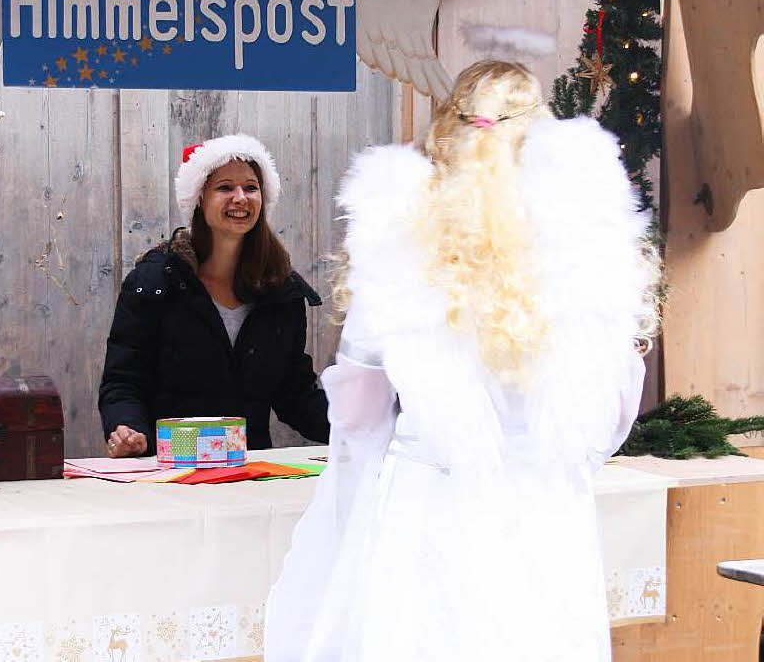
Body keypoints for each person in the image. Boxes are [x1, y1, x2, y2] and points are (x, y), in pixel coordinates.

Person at [265, 61, 660, 661]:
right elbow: (604, 423)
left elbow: (358, 412)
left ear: (446, 133)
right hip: (543, 514)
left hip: (429, 505)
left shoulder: (398, 241)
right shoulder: (592, 250)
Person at [98, 134, 330, 457]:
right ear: (199, 199)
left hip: (249, 475)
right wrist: (127, 427)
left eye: (250, 187)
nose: (240, 198)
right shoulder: (153, 283)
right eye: (225, 188)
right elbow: (123, 381)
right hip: (171, 475)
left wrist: (360, 428)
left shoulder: (281, 290)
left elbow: (295, 393)